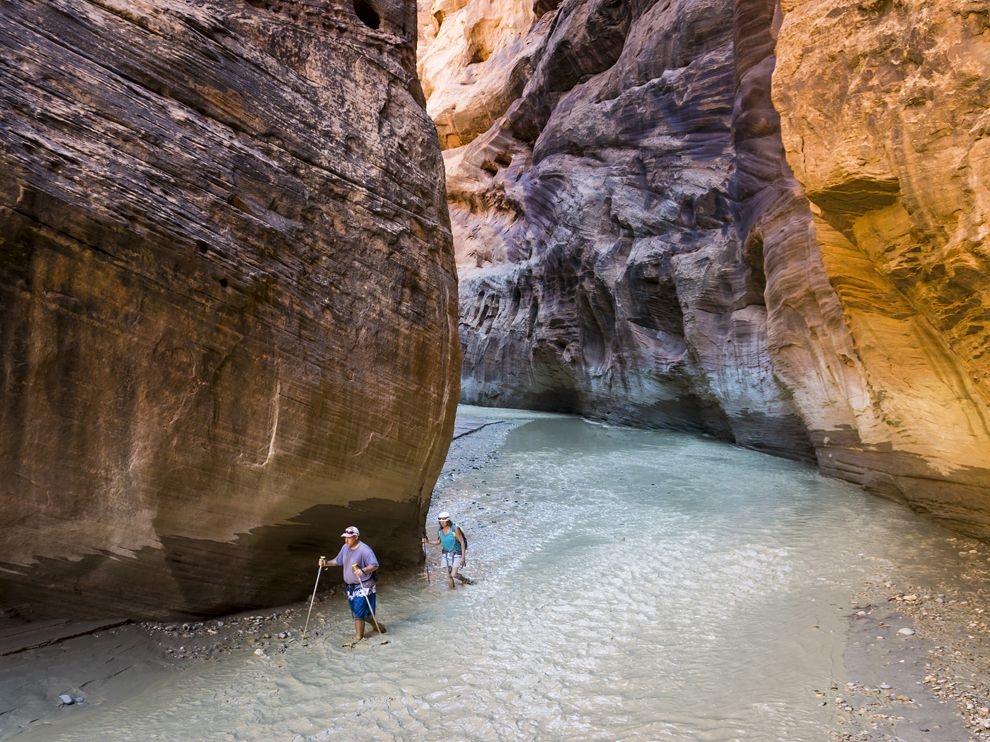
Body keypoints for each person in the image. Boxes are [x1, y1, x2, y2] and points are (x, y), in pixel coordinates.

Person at [318, 526, 385, 645]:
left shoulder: (365, 550)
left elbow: (375, 565)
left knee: (358, 614)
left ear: (356, 537)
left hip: (364, 584)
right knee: (360, 613)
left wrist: (363, 571)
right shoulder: (345, 547)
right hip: (350, 586)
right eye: (345, 538)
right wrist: (326, 563)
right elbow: (338, 561)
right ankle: (378, 627)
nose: (346, 540)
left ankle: (358, 639)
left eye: (349, 538)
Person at [422, 511, 469, 588]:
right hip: (446, 554)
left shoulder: (455, 529)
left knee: (453, 574)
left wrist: (463, 557)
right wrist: (427, 541)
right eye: (440, 521)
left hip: (457, 553)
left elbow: (462, 542)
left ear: (448, 520)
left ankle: (465, 580)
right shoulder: (440, 531)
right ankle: (452, 594)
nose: (442, 523)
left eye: (444, 521)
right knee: (449, 576)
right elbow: (438, 542)